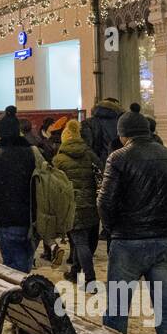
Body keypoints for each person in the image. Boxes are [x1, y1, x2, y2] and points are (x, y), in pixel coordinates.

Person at [95, 104, 167, 334]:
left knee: (117, 308)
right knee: (166, 312)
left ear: (124, 134)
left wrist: (112, 227)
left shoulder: (118, 158)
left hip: (127, 242)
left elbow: (105, 202)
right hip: (164, 242)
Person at [0, 107, 38, 271]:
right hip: (33, 220)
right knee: (25, 264)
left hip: (6, 220)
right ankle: (25, 291)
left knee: (12, 268)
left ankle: (18, 294)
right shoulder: (34, 153)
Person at [53, 118, 102, 286]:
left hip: (71, 205)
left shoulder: (59, 159)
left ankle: (90, 279)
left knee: (80, 242)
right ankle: (75, 272)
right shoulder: (89, 154)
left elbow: (55, 185)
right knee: (83, 242)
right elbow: (101, 174)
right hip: (91, 204)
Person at [81, 97, 124, 162]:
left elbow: (86, 148)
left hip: (96, 166)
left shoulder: (88, 123)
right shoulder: (123, 123)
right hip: (118, 164)